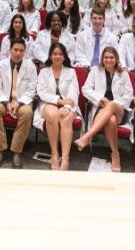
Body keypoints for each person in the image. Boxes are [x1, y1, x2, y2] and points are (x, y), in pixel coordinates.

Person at [75, 46, 133, 171]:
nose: (109, 60)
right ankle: (115, 154)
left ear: (116, 58)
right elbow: (85, 89)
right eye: (106, 57)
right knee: (110, 120)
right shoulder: (95, 71)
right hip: (100, 110)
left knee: (112, 106)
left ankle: (87, 136)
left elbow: (128, 96)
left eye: (111, 57)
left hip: (120, 110)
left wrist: (112, 103)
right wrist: (100, 98)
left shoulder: (124, 74)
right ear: (102, 59)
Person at [0, 39, 37, 169]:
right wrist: (6, 102)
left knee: (27, 112)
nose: (18, 53)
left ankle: (16, 151)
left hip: (22, 101)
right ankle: (1, 149)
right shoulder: (0, 65)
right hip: (3, 100)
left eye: (21, 50)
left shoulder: (30, 66)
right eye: (15, 50)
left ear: (25, 51)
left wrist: (19, 103)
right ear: (10, 50)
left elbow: (32, 89)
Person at [34, 42, 80, 171]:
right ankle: (55, 154)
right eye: (54, 54)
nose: (57, 56)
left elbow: (74, 91)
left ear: (64, 57)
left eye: (60, 54)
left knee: (65, 117)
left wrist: (67, 106)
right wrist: (60, 102)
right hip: (48, 103)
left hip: (69, 104)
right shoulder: (43, 72)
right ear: (50, 56)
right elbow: (42, 92)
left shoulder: (71, 72)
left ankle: (65, 158)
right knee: (53, 115)